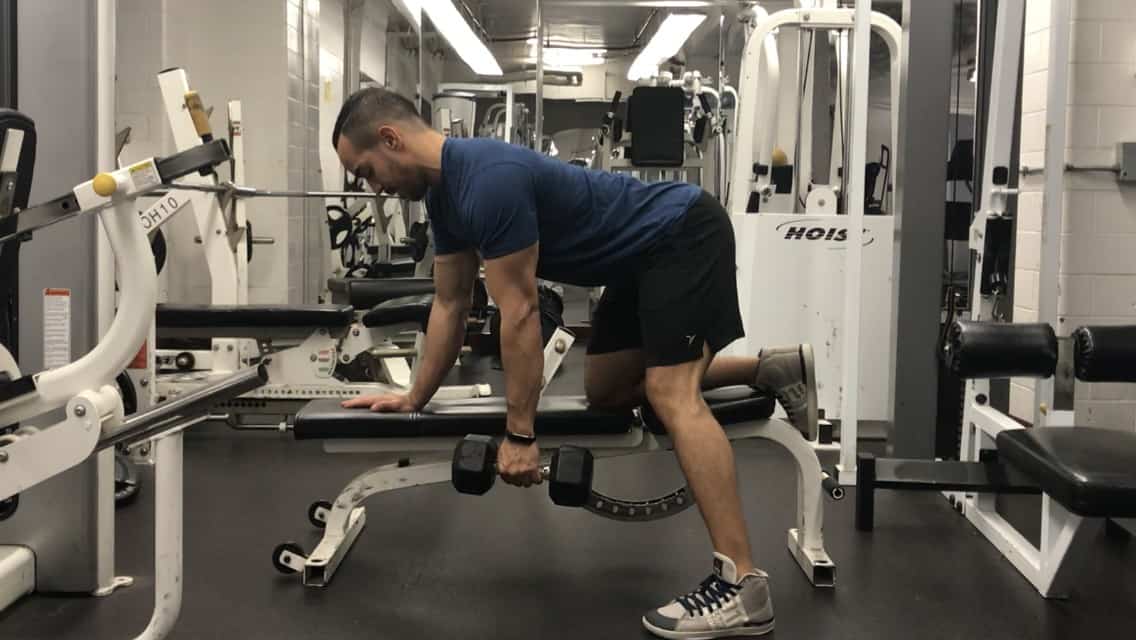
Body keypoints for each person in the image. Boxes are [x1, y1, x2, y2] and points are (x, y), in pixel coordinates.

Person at [332, 87, 818, 639]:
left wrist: (519, 435)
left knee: (669, 394)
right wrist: (413, 396)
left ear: (390, 138)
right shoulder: (445, 199)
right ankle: (765, 369)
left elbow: (518, 315)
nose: (374, 187)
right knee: (608, 391)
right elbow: (449, 302)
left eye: (367, 170)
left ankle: (742, 586)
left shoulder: (488, 179)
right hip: (636, 260)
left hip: (682, 234)